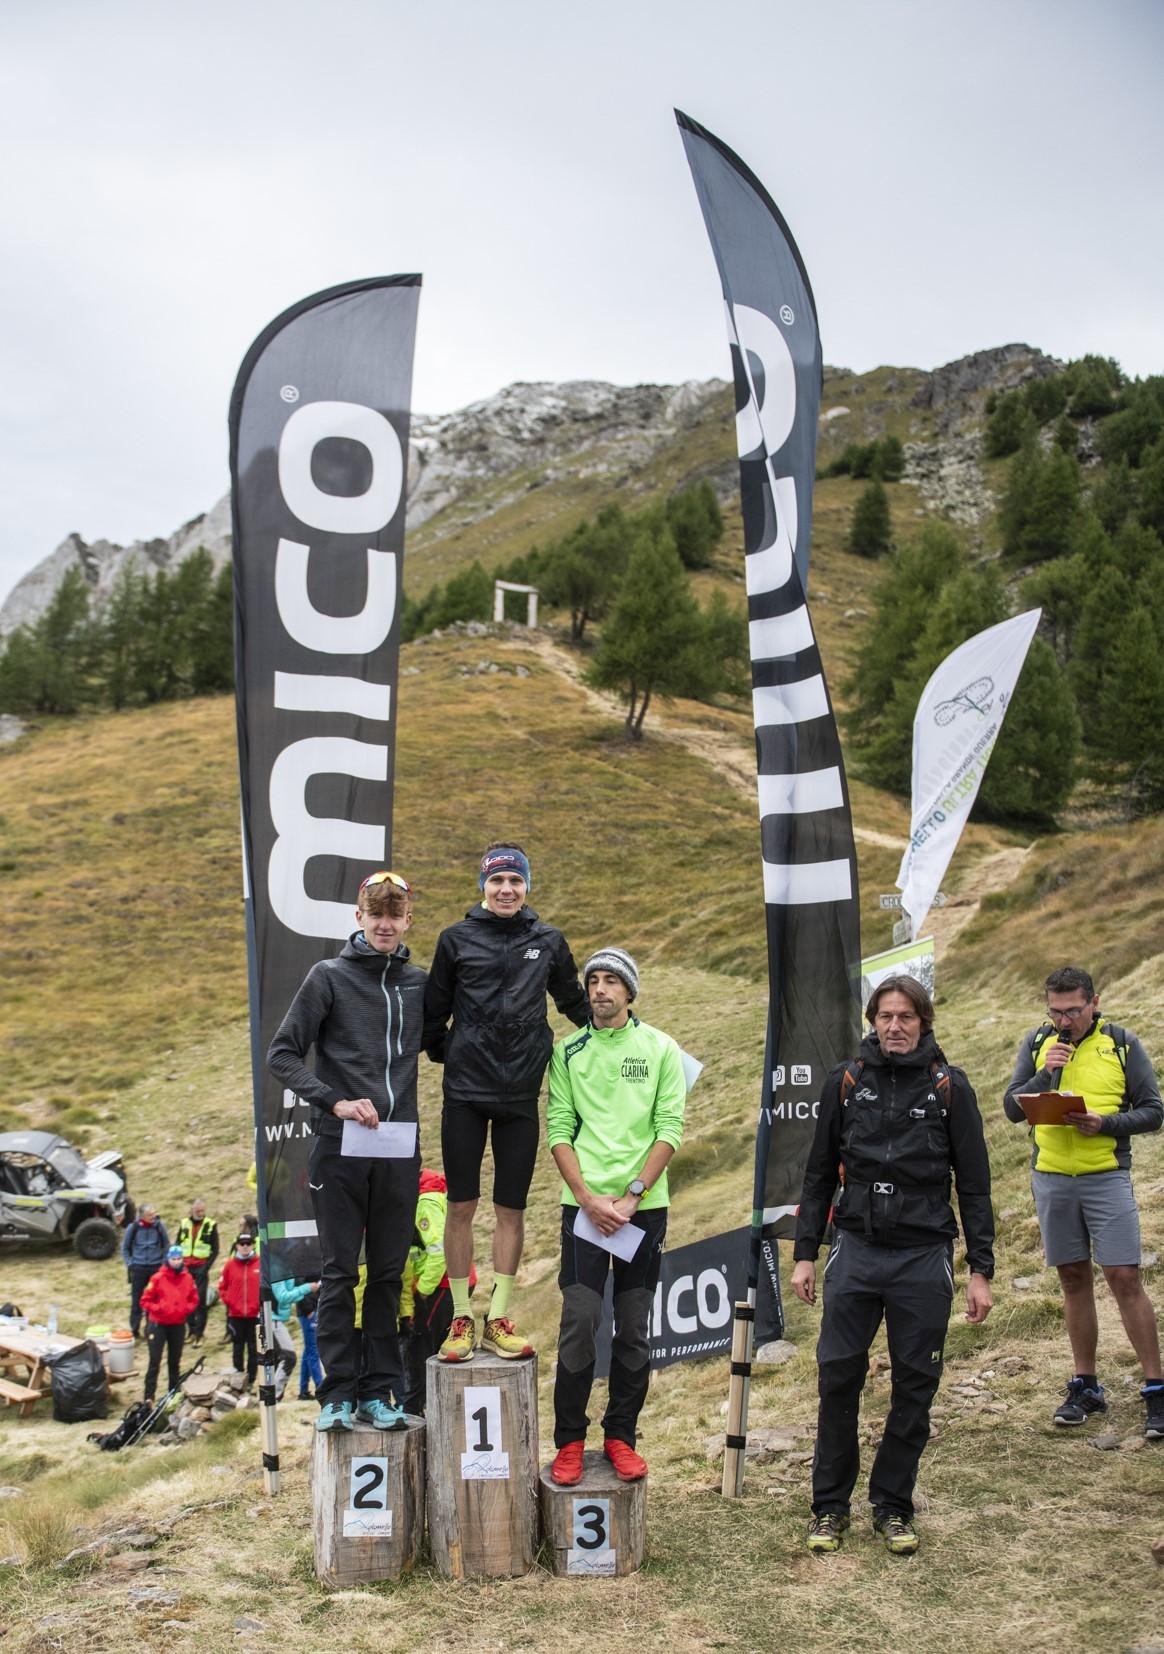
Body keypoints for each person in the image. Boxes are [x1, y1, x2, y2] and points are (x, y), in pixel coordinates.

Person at [791, 975, 994, 1557]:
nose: (895, 1027)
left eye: (906, 1017)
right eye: (885, 1016)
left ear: (923, 1021)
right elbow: (818, 1174)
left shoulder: (949, 1087)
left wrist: (980, 1269)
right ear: (873, 1022)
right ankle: (830, 1508)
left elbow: (974, 1185)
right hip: (855, 1249)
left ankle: (893, 1506)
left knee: (914, 1386)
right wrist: (805, 1254)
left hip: (923, 1256)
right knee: (838, 1378)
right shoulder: (846, 1082)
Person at [268, 869, 427, 1433]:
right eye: (375, 914)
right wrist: (333, 1101)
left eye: (394, 915)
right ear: (359, 918)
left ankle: (379, 1392)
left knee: (388, 1274)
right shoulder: (328, 977)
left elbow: (448, 1042)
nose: (385, 924)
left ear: (408, 921)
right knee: (339, 1273)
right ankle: (335, 1395)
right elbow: (282, 1054)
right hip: (339, 1148)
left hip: (398, 1149)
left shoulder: (419, 984)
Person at [423, 842, 588, 1363]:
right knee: (461, 1205)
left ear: (527, 886)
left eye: (515, 881)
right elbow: (433, 1012)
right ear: (483, 886)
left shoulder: (548, 940)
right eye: (497, 881)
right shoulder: (455, 939)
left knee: (510, 1208)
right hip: (466, 1095)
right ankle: (460, 1318)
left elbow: (573, 1001)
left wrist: (620, 1032)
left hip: (521, 1094)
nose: (506, 889)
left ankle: (497, 1317)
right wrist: (453, 1052)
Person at [545, 948, 686, 1486]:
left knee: (633, 1327)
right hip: (583, 1209)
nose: (600, 989)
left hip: (641, 1210)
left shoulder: (661, 1048)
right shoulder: (567, 1051)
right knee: (580, 1321)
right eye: (594, 981)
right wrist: (586, 1197)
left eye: (611, 981)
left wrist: (631, 1197)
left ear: (629, 991)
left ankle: (621, 1436)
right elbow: (559, 1128)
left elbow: (669, 1127)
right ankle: (569, 1441)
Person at [1003, 965, 1164, 1437]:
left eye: (1073, 1010)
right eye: (1056, 1011)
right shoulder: (1038, 1043)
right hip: (1052, 1178)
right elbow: (1012, 1108)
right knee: (1073, 1278)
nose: (1064, 1020)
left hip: (1105, 1176)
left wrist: (1105, 1124)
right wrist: (1043, 1073)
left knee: (1124, 1277)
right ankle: (1086, 1386)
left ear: (1094, 1002)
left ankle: (1156, 1388)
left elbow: (1154, 1111)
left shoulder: (1122, 1044)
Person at [397, 1168, 474, 1414]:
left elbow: (439, 1251)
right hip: (451, 1282)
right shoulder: (434, 1195)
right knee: (440, 1346)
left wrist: (422, 1290)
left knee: (423, 1348)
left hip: (441, 1285)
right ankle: (439, 1408)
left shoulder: (424, 1202)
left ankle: (420, 1409)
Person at [140, 1244, 199, 1403]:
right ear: (168, 1259)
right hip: (158, 1324)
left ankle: (173, 1393)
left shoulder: (188, 1278)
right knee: (155, 1361)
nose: (176, 1261)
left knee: (175, 1361)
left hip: (178, 1324)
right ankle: (149, 1397)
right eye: (173, 1259)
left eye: (179, 1258)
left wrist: (185, 1309)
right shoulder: (157, 1278)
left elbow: (194, 1299)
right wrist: (159, 1308)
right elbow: (145, 1300)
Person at [172, 1198, 219, 1344]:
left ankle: (200, 1334)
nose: (200, 1213)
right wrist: (178, 1265)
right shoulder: (184, 1223)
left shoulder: (210, 1225)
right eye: (198, 1211)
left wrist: (205, 1268)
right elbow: (177, 1244)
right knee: (186, 1300)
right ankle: (191, 1331)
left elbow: (215, 1249)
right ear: (192, 1210)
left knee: (200, 1302)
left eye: (202, 1210)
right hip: (185, 1268)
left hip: (201, 1268)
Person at [218, 1232, 261, 1385]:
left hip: (254, 1315)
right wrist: (230, 1301)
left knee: (253, 1349)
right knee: (237, 1348)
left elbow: (266, 1287)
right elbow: (222, 1287)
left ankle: (251, 1380)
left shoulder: (260, 1264)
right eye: (242, 1244)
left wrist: (259, 1304)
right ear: (237, 1246)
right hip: (235, 1315)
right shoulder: (230, 1265)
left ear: (253, 1245)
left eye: (248, 1243)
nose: (245, 1246)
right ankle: (238, 1380)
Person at [121, 1204, 171, 1337]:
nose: (153, 1216)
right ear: (142, 1216)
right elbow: (125, 1248)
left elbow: (166, 1245)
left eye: (154, 1213)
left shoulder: (160, 1226)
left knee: (153, 1299)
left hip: (155, 1268)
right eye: (150, 1215)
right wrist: (130, 1264)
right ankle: (134, 1329)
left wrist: (163, 1264)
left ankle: (150, 1328)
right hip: (138, 1268)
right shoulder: (133, 1227)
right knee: (136, 1300)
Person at [272, 1277, 324, 1401]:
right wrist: (307, 1295)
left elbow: (291, 1291)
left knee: (306, 1351)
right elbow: (283, 1296)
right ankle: (273, 1397)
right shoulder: (279, 1269)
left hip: (279, 1318)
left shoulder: (285, 1268)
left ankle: (303, 1390)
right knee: (291, 1357)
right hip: (275, 1319)